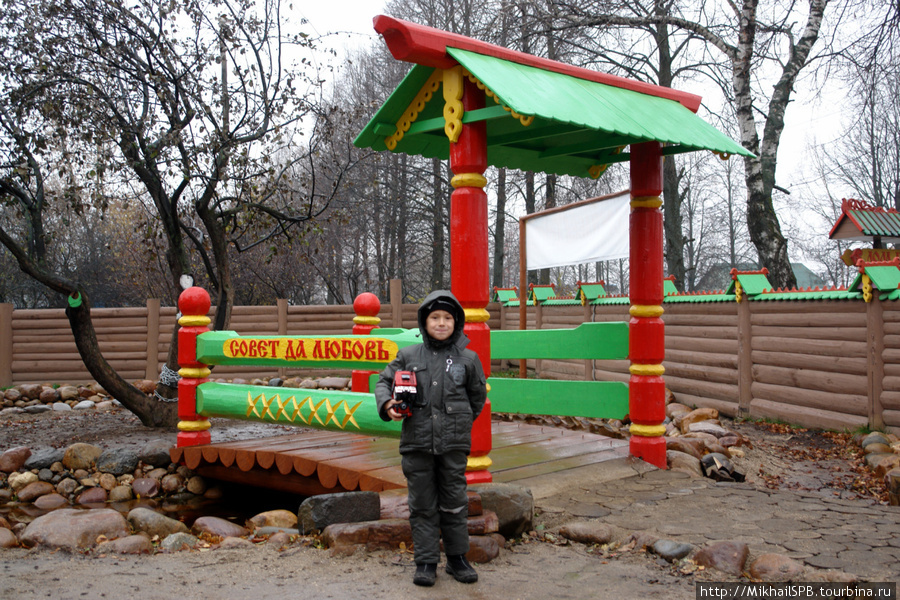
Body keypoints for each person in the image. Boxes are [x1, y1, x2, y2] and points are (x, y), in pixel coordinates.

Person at [375, 290, 487, 587]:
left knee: (454, 501)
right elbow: (384, 382)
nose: (441, 323)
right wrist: (388, 405)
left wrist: (456, 422)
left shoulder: (468, 358)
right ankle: (425, 561)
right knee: (422, 503)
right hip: (417, 443)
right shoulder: (409, 356)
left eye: (447, 318)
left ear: (456, 322)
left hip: (453, 445)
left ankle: (457, 558)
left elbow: (477, 398)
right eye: (434, 317)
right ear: (424, 322)